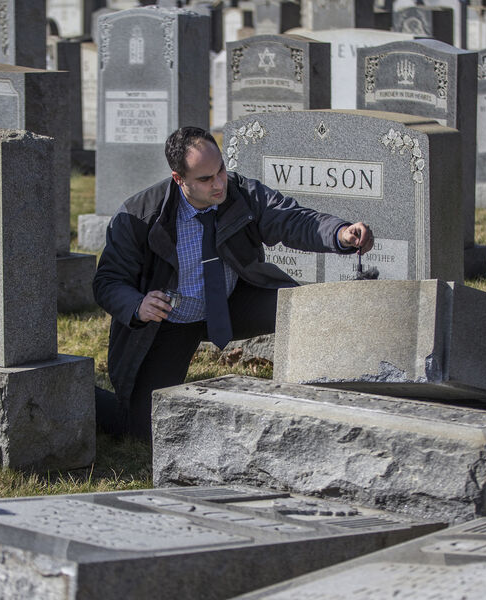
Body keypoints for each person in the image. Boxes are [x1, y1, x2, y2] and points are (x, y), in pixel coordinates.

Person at [93, 126, 375, 440]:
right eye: (205, 179)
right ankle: (85, 397)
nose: (219, 184)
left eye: (221, 170)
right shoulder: (140, 215)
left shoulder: (240, 193)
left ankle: (329, 401)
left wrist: (339, 233)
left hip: (231, 302)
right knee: (142, 428)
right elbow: (107, 281)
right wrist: (137, 304)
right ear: (178, 178)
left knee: (307, 307)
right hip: (169, 321)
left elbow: (291, 219)